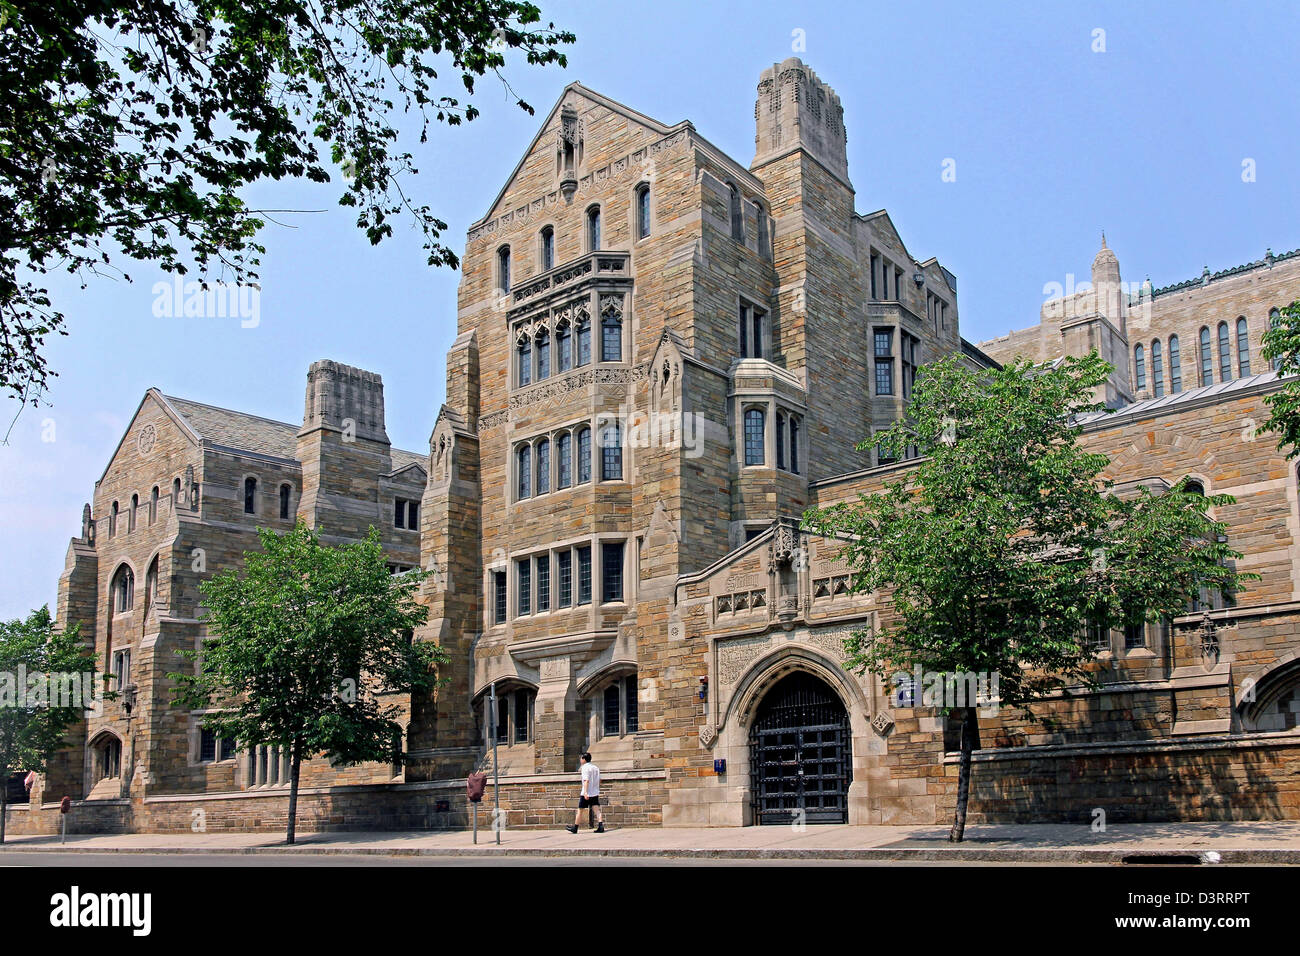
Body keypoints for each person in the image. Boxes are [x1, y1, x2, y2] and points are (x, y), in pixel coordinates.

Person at [566, 752, 604, 833]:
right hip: (594, 792)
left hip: (586, 793)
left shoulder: (585, 768)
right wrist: (596, 789)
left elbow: (586, 780)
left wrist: (586, 793)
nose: (580, 760)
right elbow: (600, 780)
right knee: (597, 809)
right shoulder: (596, 768)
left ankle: (575, 828)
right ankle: (601, 826)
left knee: (580, 810)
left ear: (584, 759)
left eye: (581, 758)